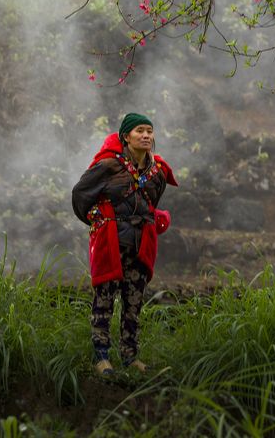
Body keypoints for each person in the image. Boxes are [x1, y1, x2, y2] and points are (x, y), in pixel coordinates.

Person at [72, 111, 177, 378]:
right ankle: (101, 356)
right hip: (111, 242)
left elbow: (153, 203)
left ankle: (130, 357)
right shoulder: (108, 165)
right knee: (104, 299)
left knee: (133, 302)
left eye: (149, 131)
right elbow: (81, 194)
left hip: (140, 244)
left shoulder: (157, 172)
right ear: (126, 136)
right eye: (139, 130)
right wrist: (97, 220)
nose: (145, 135)